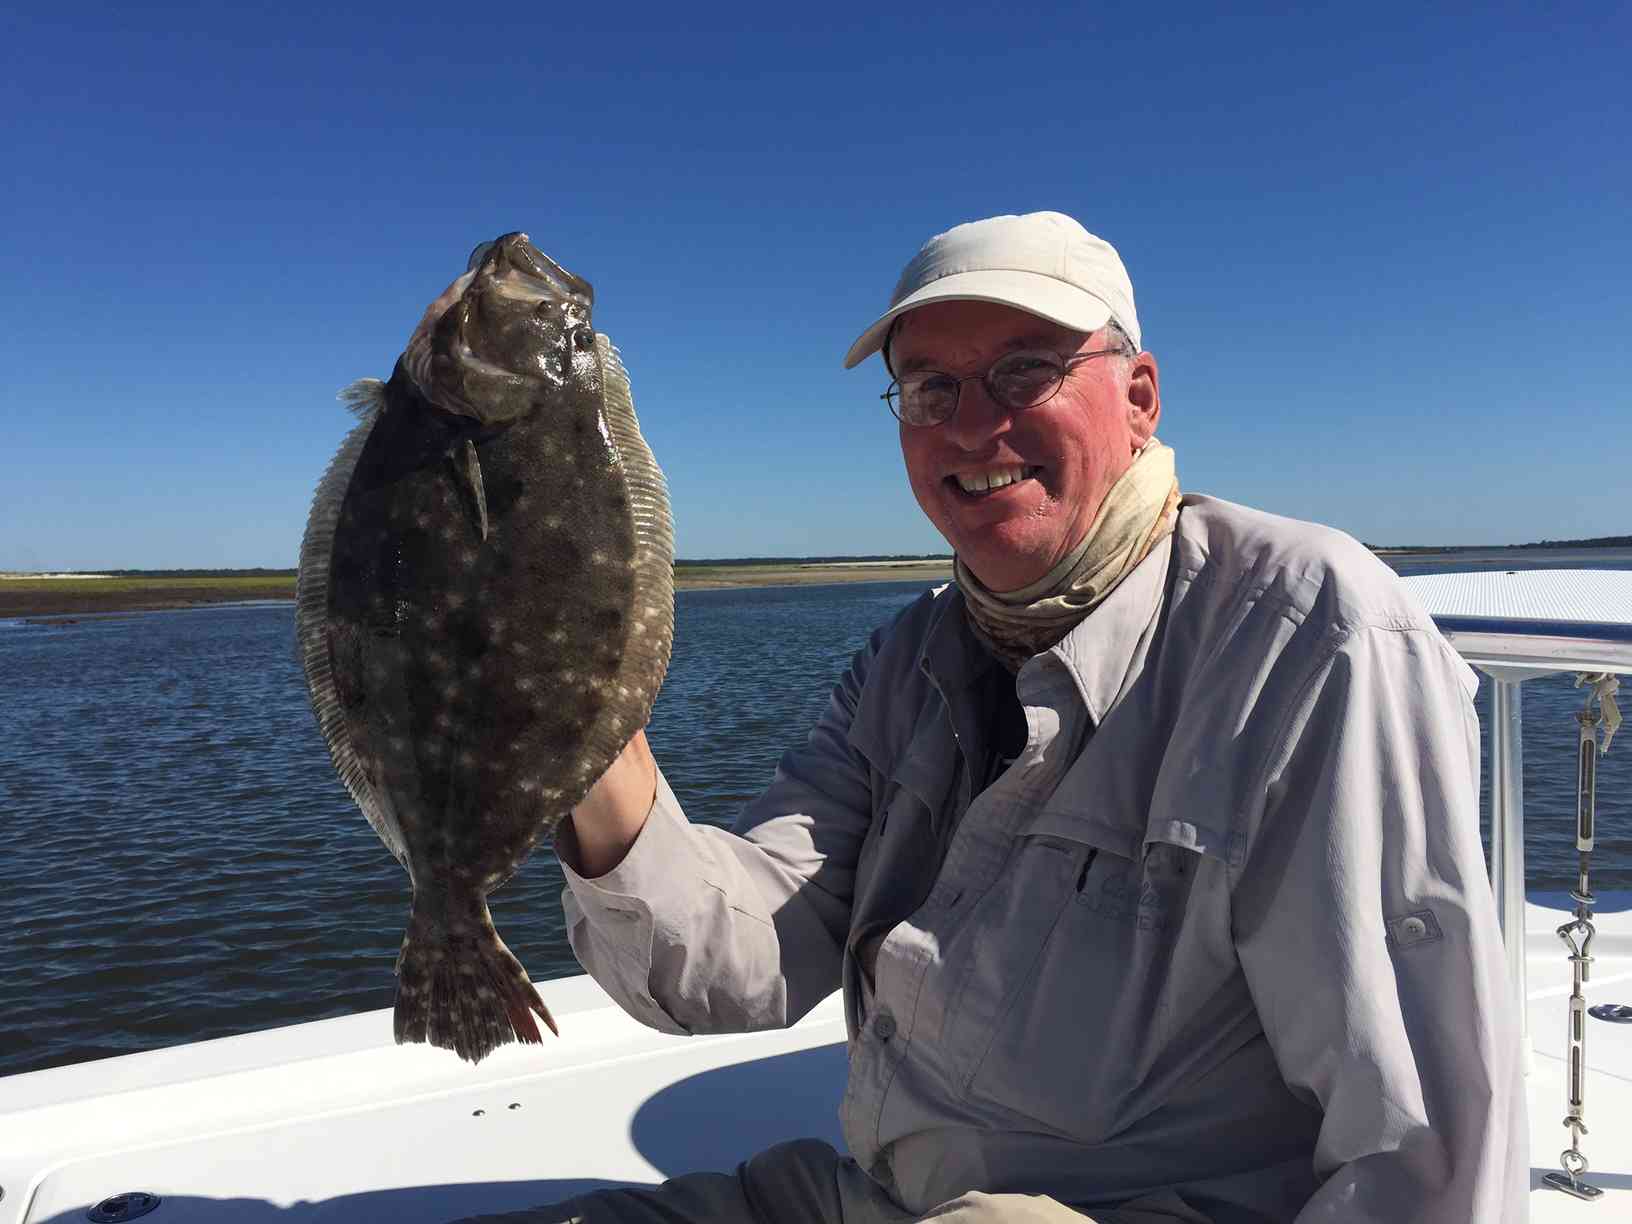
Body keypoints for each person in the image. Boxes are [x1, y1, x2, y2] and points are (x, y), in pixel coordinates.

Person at [463, 212, 1526, 1222]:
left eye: (1027, 370)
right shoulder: (907, 660)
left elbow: (1422, 1153)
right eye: (928, 388)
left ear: (1141, 397)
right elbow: (745, 963)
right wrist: (586, 726)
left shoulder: (1308, 636)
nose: (974, 424)